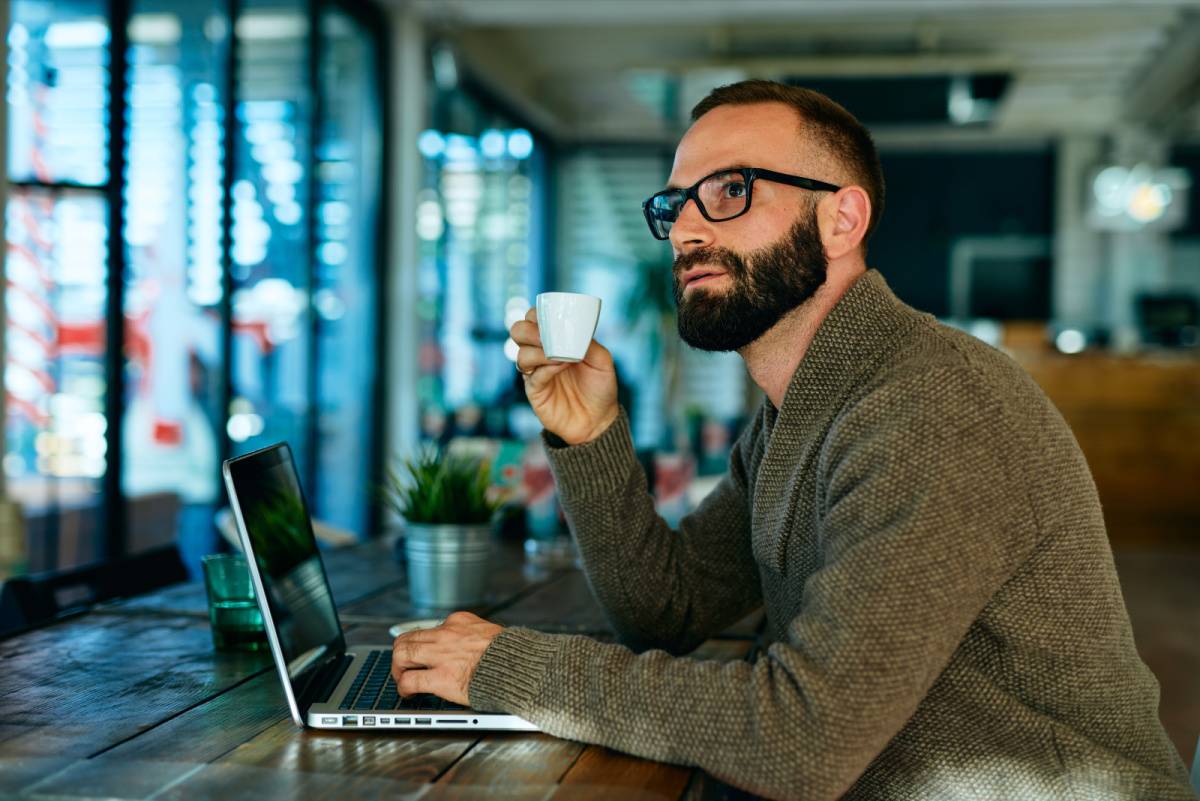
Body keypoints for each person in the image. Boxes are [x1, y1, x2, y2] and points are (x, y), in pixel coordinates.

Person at [390, 80, 1196, 800]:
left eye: (730, 190)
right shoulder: (799, 410)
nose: (685, 232)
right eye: (676, 205)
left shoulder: (930, 405)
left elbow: (801, 740)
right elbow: (668, 607)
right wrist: (593, 433)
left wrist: (508, 667)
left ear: (842, 217)